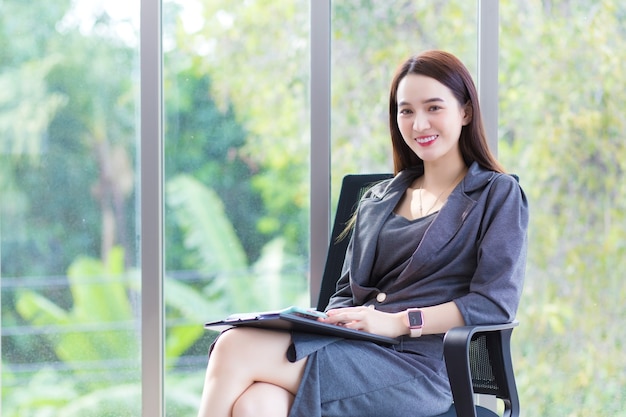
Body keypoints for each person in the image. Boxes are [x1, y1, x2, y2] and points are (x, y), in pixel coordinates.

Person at [196, 49, 529, 417]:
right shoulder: (378, 199)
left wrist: (398, 322)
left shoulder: (496, 194)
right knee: (256, 404)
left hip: (419, 368)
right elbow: (344, 293)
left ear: (465, 111)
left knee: (233, 347)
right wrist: (328, 319)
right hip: (353, 347)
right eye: (406, 111)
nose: (419, 124)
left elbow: (493, 303)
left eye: (433, 108)